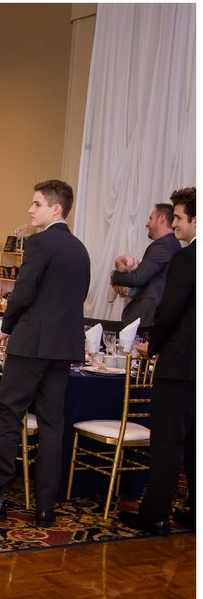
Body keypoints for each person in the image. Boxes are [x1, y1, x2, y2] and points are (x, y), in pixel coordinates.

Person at [0, 180, 90, 528]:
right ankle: (45, 507)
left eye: (36, 204)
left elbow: (24, 292)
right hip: (63, 347)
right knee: (53, 424)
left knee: (9, 417)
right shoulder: (80, 249)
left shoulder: (40, 243)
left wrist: (6, 325)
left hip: (32, 342)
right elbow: (75, 296)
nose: (30, 210)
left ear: (56, 208)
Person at [119, 187, 195, 535]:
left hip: (181, 362)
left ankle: (156, 513)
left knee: (167, 441)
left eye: (179, 217)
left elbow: (170, 311)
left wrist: (154, 346)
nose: (175, 224)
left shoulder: (187, 258)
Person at [109, 203, 181, 337]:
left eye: (151, 218)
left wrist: (115, 276)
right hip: (150, 317)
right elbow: (152, 280)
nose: (147, 224)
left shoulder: (163, 245)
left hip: (148, 318)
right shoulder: (169, 244)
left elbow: (138, 278)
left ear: (162, 219)